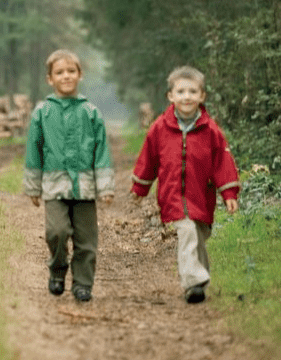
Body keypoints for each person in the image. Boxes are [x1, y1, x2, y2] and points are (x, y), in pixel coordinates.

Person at [130, 66, 240, 304]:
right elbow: (148, 159)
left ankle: (200, 278)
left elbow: (222, 161)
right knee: (187, 231)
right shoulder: (160, 127)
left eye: (192, 91)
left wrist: (229, 192)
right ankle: (193, 282)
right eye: (181, 91)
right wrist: (140, 187)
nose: (187, 96)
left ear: (202, 96)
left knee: (199, 234)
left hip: (202, 194)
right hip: (172, 195)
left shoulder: (211, 130)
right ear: (171, 96)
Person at [23, 49, 114, 302]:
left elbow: (102, 151)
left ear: (80, 75)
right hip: (54, 186)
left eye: (71, 71)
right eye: (60, 72)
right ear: (50, 79)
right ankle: (57, 270)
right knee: (57, 231)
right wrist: (33, 187)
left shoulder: (91, 112)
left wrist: (105, 186)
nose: (66, 76)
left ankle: (83, 283)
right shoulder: (43, 112)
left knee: (86, 240)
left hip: (85, 187)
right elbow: (34, 150)